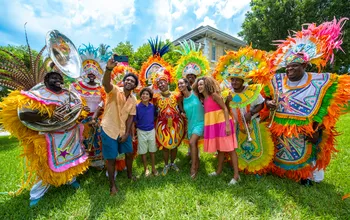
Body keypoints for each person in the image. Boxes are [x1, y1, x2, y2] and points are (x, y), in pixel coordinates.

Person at [259, 18, 350, 184]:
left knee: (307, 149)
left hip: (306, 130)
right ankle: (277, 171)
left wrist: (318, 129)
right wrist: (267, 103)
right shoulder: (276, 80)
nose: (289, 69)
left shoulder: (321, 81)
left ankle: (305, 176)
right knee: (279, 151)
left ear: (304, 66)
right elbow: (263, 96)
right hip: (280, 128)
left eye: (294, 66)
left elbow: (326, 106)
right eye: (287, 67)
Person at [0, 66, 90, 207]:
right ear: (46, 80)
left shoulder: (70, 94)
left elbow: (76, 112)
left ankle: (70, 180)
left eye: (60, 78)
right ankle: (36, 195)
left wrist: (82, 111)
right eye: (54, 78)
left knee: (71, 159)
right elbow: (23, 114)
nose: (58, 80)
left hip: (71, 135)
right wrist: (49, 114)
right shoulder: (37, 93)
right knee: (45, 168)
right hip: (49, 138)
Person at [213, 46, 274, 174]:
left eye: (237, 80)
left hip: (252, 124)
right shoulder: (227, 92)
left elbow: (261, 104)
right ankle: (239, 168)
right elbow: (223, 108)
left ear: (242, 81)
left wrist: (251, 113)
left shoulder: (252, 91)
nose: (234, 82)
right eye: (232, 80)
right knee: (237, 148)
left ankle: (255, 169)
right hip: (235, 125)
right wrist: (227, 100)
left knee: (255, 147)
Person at [101, 56, 139, 195]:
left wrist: (127, 133)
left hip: (123, 131)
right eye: (127, 79)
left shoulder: (134, 99)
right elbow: (106, 84)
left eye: (132, 81)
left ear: (134, 86)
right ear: (123, 82)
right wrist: (108, 69)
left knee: (129, 153)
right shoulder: (115, 90)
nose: (129, 81)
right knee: (110, 158)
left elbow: (131, 117)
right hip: (109, 129)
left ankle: (129, 175)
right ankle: (112, 185)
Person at [193, 76, 240, 185]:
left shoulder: (213, 95)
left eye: (201, 84)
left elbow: (224, 108)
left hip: (223, 123)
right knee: (220, 149)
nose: (200, 86)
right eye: (198, 84)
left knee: (231, 149)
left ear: (207, 85)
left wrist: (227, 125)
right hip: (214, 125)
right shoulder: (204, 99)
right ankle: (218, 171)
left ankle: (236, 176)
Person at [71, 44, 108, 169]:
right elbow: (73, 100)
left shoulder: (101, 88)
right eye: (89, 72)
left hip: (97, 118)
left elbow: (103, 102)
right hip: (82, 118)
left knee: (97, 139)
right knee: (83, 140)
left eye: (94, 72)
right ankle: (83, 163)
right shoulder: (77, 86)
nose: (91, 74)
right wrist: (81, 109)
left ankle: (97, 162)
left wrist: (96, 116)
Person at [174, 39, 210, 158]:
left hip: (200, 115)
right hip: (189, 116)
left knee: (195, 135)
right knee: (190, 134)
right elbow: (179, 102)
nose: (190, 78)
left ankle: (196, 154)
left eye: (192, 76)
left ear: (195, 77)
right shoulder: (182, 92)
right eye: (188, 76)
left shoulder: (199, 88)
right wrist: (182, 112)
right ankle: (191, 152)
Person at [153, 70, 186, 176]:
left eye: (163, 82)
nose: (161, 84)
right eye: (159, 84)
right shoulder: (156, 98)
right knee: (166, 145)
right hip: (162, 125)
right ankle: (166, 164)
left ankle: (172, 163)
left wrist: (184, 115)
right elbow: (154, 111)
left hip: (176, 124)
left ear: (167, 83)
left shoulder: (177, 95)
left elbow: (181, 109)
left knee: (175, 145)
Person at [178, 78, 204, 178]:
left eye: (182, 83)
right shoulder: (181, 99)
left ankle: (193, 168)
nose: (180, 85)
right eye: (178, 84)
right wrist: (182, 113)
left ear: (187, 83)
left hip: (201, 122)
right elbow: (181, 110)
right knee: (195, 144)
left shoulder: (195, 93)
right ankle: (197, 162)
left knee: (192, 142)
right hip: (191, 124)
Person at [134, 87, 158, 177]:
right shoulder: (137, 107)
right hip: (141, 131)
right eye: (143, 94)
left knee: (152, 151)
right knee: (143, 152)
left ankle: (153, 168)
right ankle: (146, 169)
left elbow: (155, 116)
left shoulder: (152, 107)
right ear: (140, 95)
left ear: (150, 96)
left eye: (147, 94)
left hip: (151, 130)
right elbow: (135, 120)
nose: (145, 95)